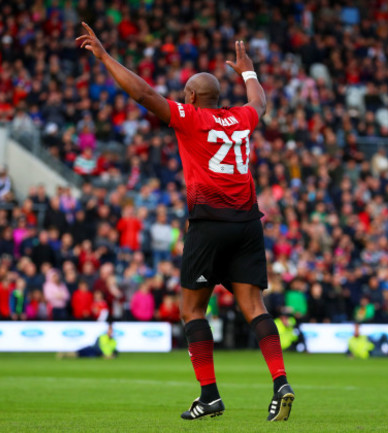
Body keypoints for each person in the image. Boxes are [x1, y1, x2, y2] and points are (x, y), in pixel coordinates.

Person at [78, 24, 293, 421]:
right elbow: (259, 103)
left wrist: (105, 57)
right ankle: (280, 383)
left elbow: (142, 94)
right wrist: (248, 72)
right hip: (248, 222)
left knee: (192, 310)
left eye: (185, 93)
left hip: (208, 224)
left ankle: (209, 395)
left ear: (192, 97)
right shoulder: (242, 118)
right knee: (253, 305)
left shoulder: (190, 118)